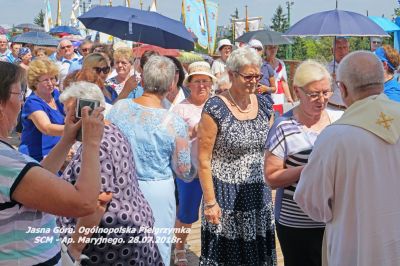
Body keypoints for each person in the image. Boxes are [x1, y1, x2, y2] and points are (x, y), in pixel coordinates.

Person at [294, 51, 400, 266]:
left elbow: (312, 203)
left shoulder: (334, 137)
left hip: (355, 247)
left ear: (341, 89)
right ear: (383, 79)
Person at [0, 61, 104, 265]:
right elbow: (84, 203)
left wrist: (67, 139)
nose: (22, 101)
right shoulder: (5, 161)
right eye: (19, 93)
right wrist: (91, 143)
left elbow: (36, 180)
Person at [58, 81, 164, 266]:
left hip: (111, 240)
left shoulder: (97, 145)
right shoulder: (111, 129)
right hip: (130, 226)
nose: (66, 117)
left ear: (88, 111)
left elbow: (100, 200)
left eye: (71, 111)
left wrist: (75, 247)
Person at [107, 55, 194, 264]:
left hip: (120, 188)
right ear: (172, 84)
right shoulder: (174, 122)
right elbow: (184, 170)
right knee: (156, 249)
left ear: (143, 81)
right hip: (157, 191)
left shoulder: (119, 108)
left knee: (122, 248)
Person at [198, 47, 276, 265]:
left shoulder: (264, 105)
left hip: (258, 194)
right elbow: (203, 159)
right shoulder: (215, 108)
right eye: (248, 76)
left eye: (257, 76)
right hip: (226, 196)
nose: (254, 81)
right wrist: (211, 203)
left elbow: (269, 148)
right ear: (232, 74)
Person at [265, 60, 340, 266]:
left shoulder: (339, 121)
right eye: (314, 94)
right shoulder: (283, 126)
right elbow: (271, 178)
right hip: (296, 223)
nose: (322, 99)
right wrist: (308, 170)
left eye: (326, 92)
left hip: (334, 221)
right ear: (297, 91)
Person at [172, 61, 216, 266]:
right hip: (189, 170)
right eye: (197, 81)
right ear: (189, 84)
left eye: (205, 81)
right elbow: (173, 139)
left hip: (214, 170)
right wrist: (194, 131)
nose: (202, 86)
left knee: (216, 213)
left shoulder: (217, 105)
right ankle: (179, 247)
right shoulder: (181, 109)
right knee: (187, 214)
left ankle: (214, 250)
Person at [19, 58, 65, 162]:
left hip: (55, 154)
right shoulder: (32, 103)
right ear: (35, 82)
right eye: (45, 80)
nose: (51, 83)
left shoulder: (56, 95)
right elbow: (47, 128)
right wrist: (75, 130)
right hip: (35, 158)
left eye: (52, 78)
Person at [265, 44, 294, 114]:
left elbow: (284, 82)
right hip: (266, 93)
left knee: (278, 115)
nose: (273, 50)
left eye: (275, 47)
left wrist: (289, 97)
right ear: (265, 50)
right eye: (270, 48)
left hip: (278, 94)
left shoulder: (281, 63)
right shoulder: (262, 63)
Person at [326, 37, 350, 112]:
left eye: (344, 47)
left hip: (350, 110)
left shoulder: (354, 67)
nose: (342, 51)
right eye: (339, 48)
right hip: (331, 109)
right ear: (332, 50)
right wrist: (330, 81)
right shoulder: (326, 69)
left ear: (348, 49)